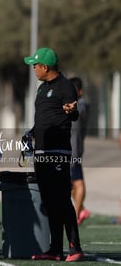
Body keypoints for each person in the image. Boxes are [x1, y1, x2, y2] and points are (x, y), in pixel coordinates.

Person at [24, 47, 83, 262]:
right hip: (41, 150)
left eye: (35, 66)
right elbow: (44, 117)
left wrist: (71, 111)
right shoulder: (42, 89)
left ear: (45, 67)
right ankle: (55, 249)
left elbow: (73, 113)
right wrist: (31, 133)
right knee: (49, 201)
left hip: (57, 151)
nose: (34, 69)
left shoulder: (65, 86)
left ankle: (75, 248)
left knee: (61, 199)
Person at [69, 77, 90, 225]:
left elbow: (79, 111)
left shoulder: (82, 105)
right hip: (68, 151)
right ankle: (81, 209)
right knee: (69, 184)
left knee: (77, 182)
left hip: (74, 151)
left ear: (80, 91)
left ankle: (76, 215)